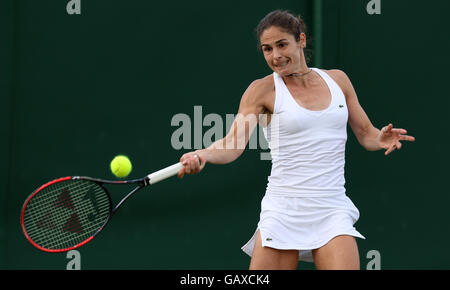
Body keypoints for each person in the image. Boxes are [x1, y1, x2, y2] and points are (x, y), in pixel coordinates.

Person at [177, 10, 415, 270]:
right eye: (267, 49)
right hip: (283, 211)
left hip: (331, 208)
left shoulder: (338, 80)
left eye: (282, 45)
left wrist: (379, 137)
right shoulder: (261, 91)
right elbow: (233, 143)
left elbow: (365, 132)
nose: (276, 56)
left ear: (300, 39)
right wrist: (203, 155)